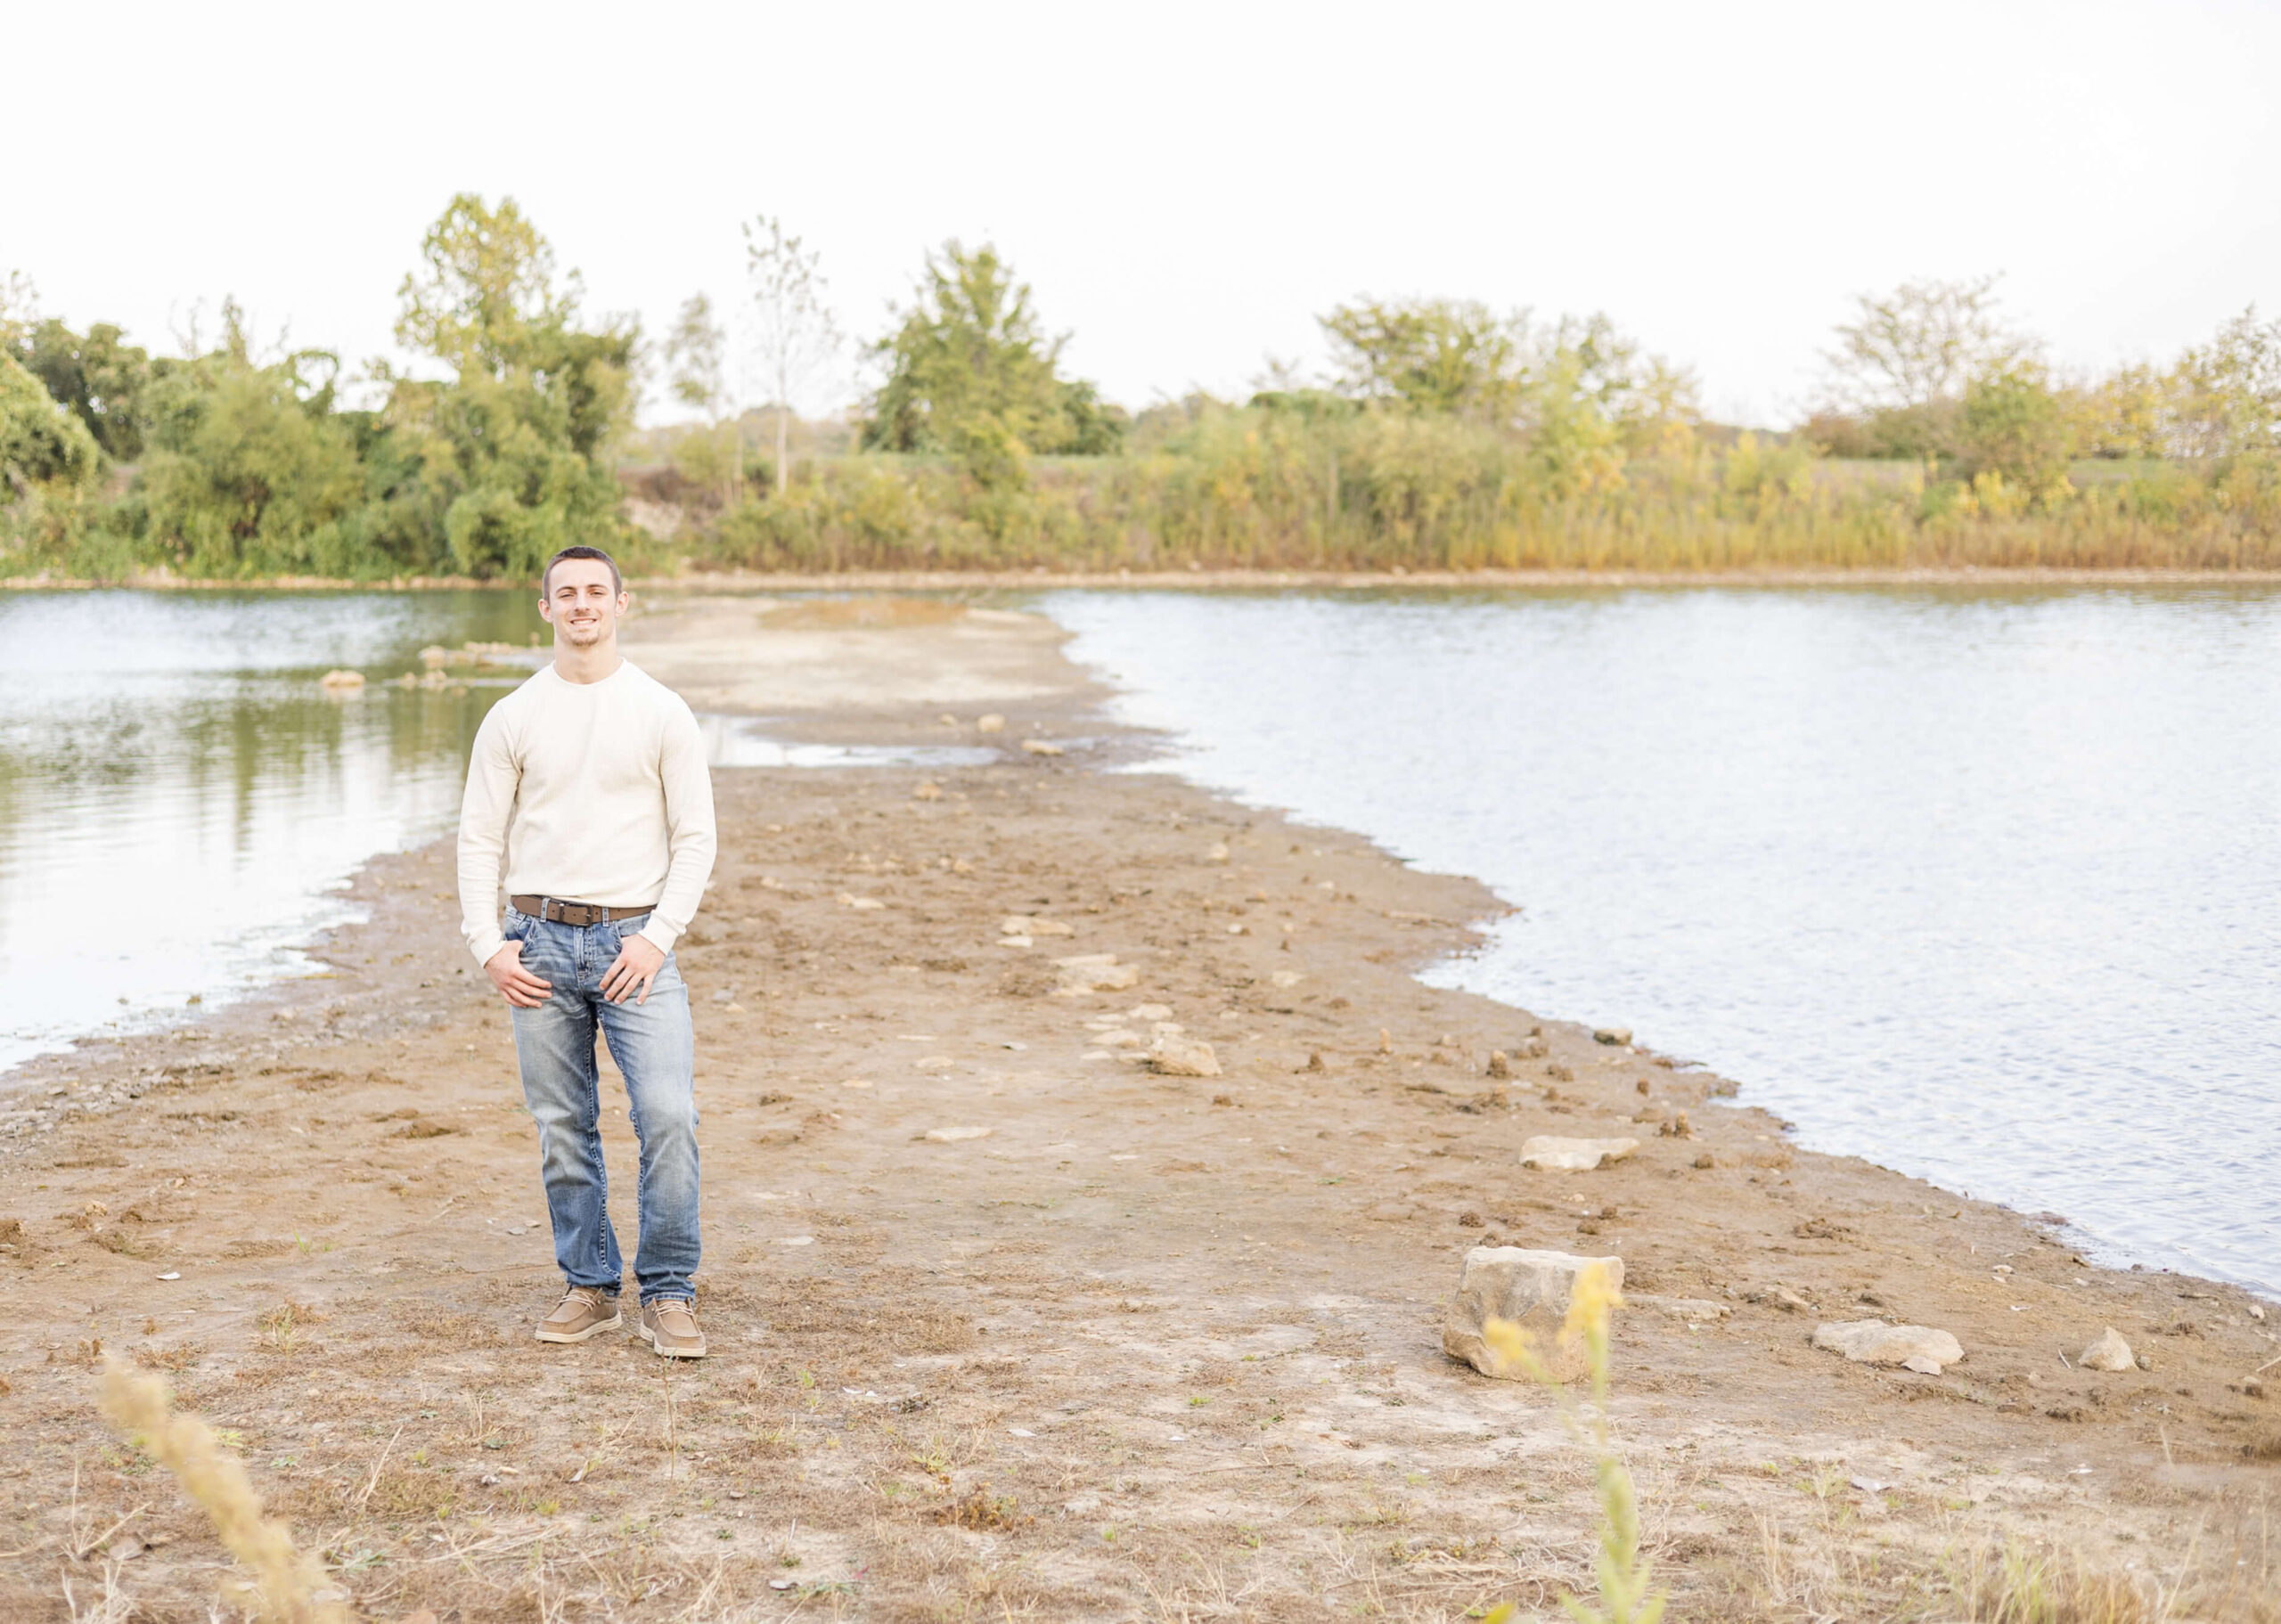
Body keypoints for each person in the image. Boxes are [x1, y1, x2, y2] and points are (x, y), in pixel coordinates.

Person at [456, 545, 718, 1358]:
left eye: (595, 592)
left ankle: (668, 1291)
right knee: (563, 1125)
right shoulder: (512, 715)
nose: (581, 605)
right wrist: (487, 946)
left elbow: (696, 839)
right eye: (565, 593)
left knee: (668, 1114)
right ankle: (591, 1284)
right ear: (545, 609)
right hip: (534, 945)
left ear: (621, 603)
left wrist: (655, 937)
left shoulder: (661, 710)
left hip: (632, 942)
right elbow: (478, 838)